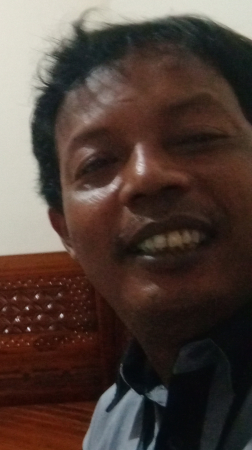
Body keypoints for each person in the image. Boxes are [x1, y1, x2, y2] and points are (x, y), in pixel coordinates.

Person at [31, 15, 252, 449]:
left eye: (197, 137)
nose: (147, 178)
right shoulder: (115, 418)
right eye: (97, 162)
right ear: (65, 232)